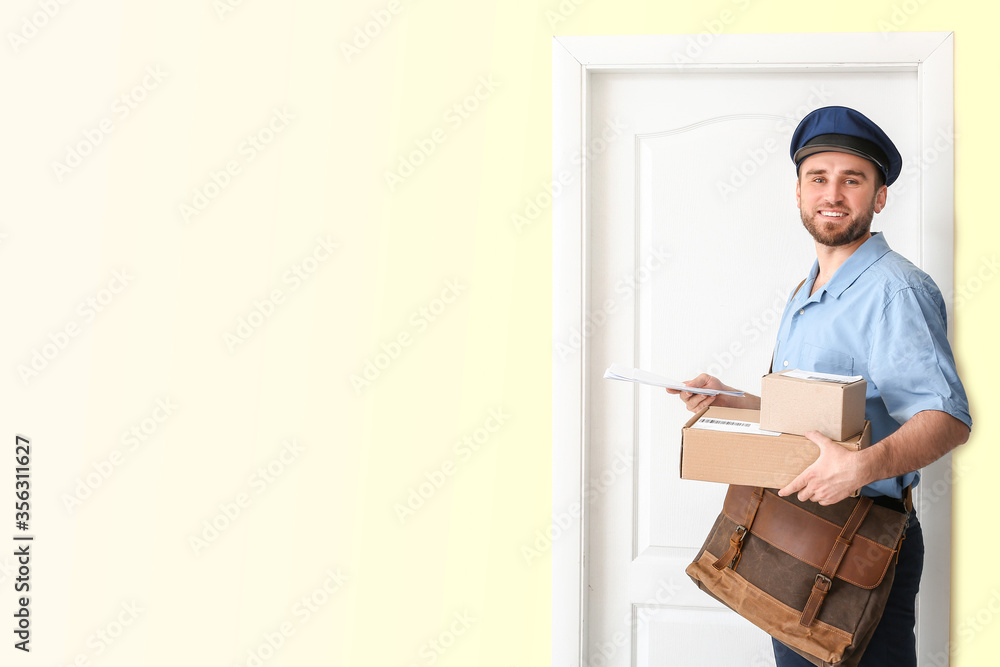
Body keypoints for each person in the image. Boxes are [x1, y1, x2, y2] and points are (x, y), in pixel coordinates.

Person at [668, 106, 972, 666]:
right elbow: (816, 416)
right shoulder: (806, 289)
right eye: (818, 178)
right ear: (800, 192)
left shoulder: (895, 292)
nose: (832, 193)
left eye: (852, 179)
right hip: (791, 534)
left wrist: (859, 468)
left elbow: (947, 419)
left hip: (857, 538)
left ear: (879, 197)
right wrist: (733, 400)